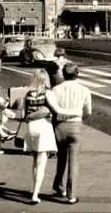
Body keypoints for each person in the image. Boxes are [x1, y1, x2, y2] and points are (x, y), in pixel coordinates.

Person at [21, 69, 82, 205]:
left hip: (31, 128)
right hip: (43, 128)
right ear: (45, 79)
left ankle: (35, 191)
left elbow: (24, 114)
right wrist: (76, 113)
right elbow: (58, 110)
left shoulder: (28, 94)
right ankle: (35, 195)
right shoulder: (48, 93)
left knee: (35, 163)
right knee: (41, 164)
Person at [51, 63, 92, 205]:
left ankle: (58, 184)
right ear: (77, 74)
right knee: (74, 162)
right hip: (75, 125)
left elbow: (52, 109)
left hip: (59, 126)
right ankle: (71, 195)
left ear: (63, 74)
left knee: (61, 158)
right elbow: (88, 111)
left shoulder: (55, 89)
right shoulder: (84, 90)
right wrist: (81, 119)